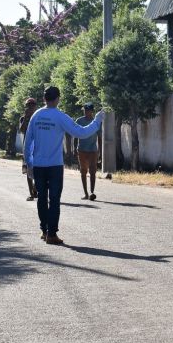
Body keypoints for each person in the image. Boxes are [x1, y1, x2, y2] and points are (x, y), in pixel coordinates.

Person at [23, 86, 104, 245]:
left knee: (41, 200)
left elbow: (27, 143)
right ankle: (52, 234)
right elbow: (81, 132)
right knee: (54, 199)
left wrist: (29, 164)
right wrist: (97, 121)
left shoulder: (36, 116)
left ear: (44, 99)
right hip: (54, 166)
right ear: (58, 98)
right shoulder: (60, 117)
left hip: (38, 165)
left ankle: (44, 231)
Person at [74, 103, 101, 200]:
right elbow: (76, 134)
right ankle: (85, 193)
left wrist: (99, 151)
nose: (86, 112)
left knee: (93, 171)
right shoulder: (79, 121)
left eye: (88, 110)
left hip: (92, 150)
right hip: (81, 149)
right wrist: (74, 148)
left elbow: (100, 136)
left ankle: (92, 192)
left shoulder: (96, 122)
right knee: (83, 171)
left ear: (92, 111)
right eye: (85, 110)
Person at [18, 97, 38, 201]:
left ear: (36, 106)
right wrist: (26, 117)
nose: (30, 107)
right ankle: (31, 193)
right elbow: (21, 130)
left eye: (32, 105)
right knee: (28, 172)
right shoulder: (23, 118)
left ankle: (35, 188)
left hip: (39, 147)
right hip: (28, 148)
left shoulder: (39, 117)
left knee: (38, 170)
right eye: (28, 105)